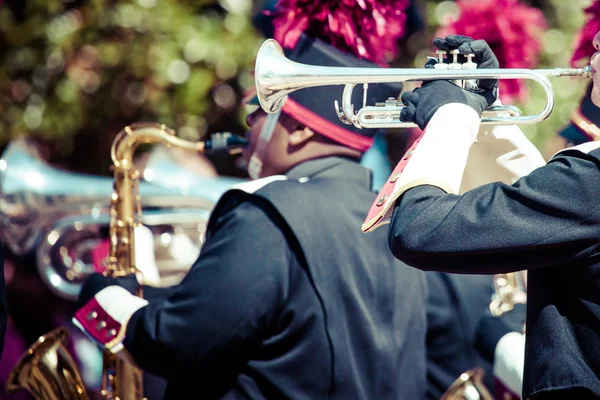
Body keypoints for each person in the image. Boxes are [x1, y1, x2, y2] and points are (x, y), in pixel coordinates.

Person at [71, 20, 427, 400]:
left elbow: (178, 344)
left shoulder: (266, 215)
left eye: (262, 108)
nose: (250, 121)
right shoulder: (398, 223)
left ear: (302, 130)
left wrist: (103, 296)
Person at [363, 33, 600, 399]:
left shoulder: (590, 182)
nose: (597, 39)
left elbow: (419, 229)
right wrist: (484, 112)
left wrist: (451, 118)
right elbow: (552, 216)